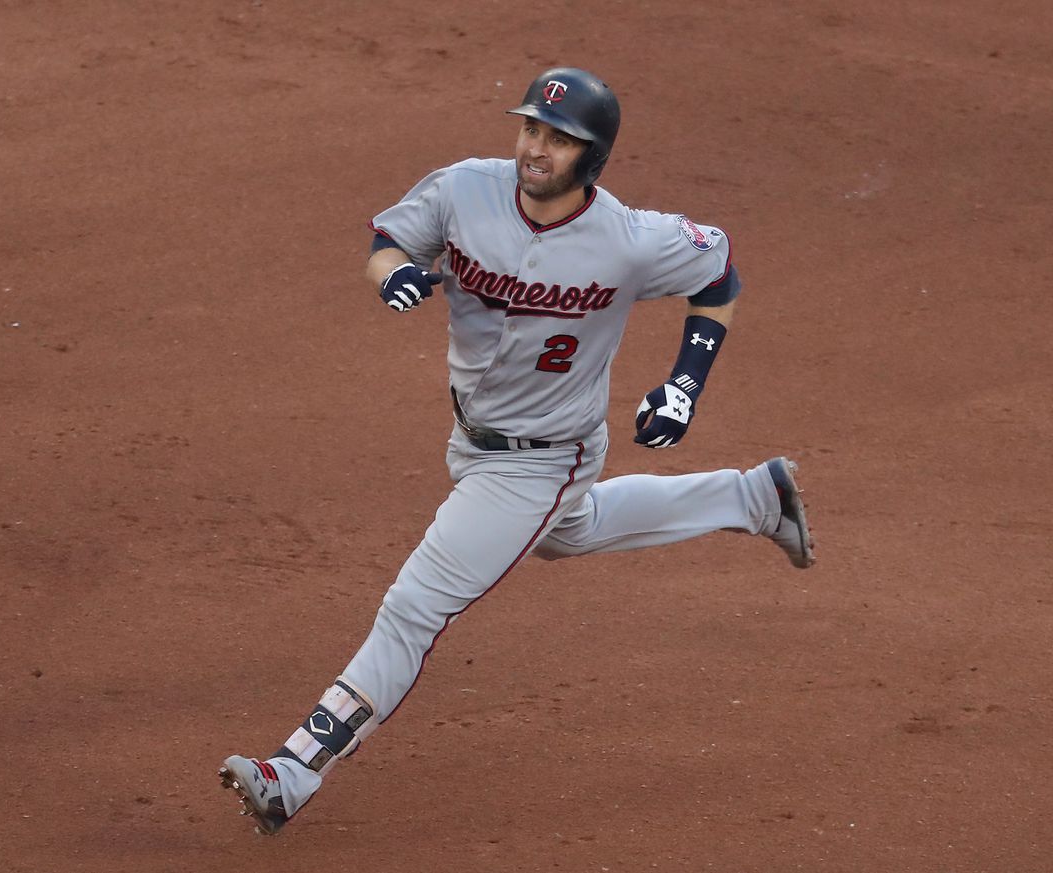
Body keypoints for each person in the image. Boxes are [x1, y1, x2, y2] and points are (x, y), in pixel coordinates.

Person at [218, 66, 817, 836]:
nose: (536, 148)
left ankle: (295, 767)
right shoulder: (465, 189)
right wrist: (392, 271)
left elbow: (720, 275)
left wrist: (684, 386)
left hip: (543, 454)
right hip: (474, 435)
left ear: (591, 157)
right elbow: (388, 237)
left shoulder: (630, 241)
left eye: (559, 139)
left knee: (416, 604)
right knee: (565, 531)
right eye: (532, 128)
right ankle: (753, 496)